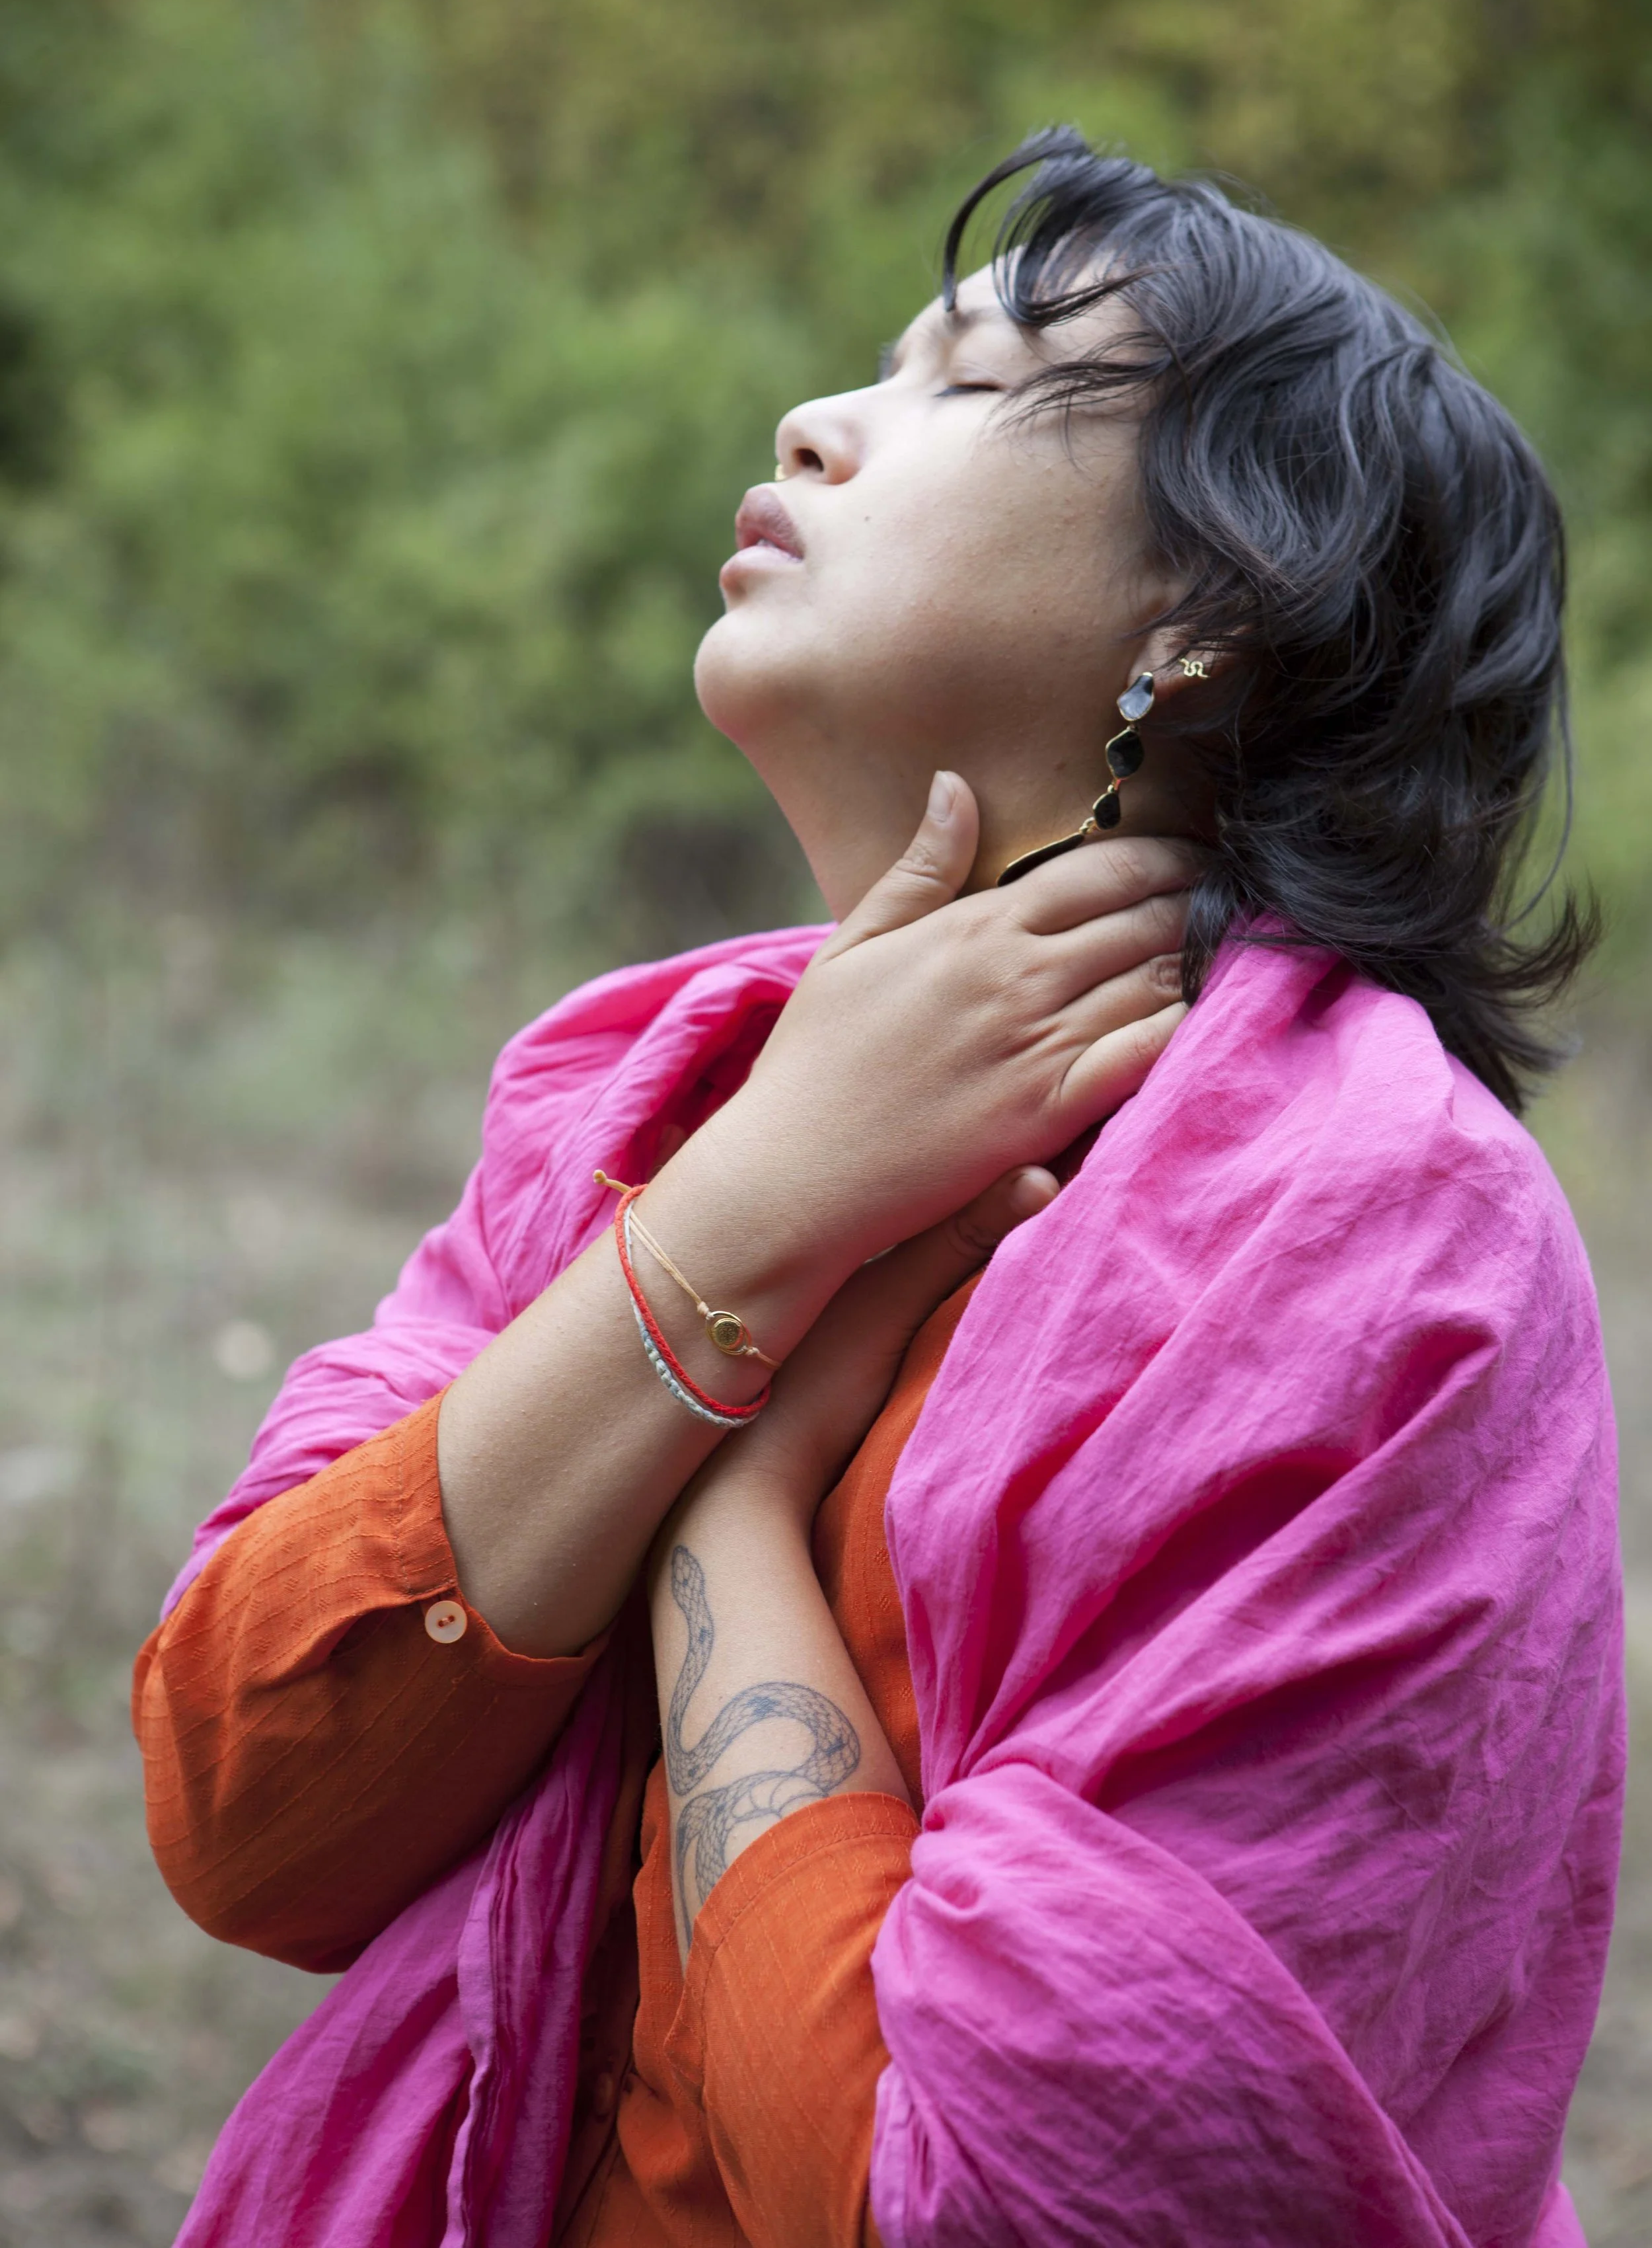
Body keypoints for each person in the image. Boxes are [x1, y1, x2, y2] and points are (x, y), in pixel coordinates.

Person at [133, 132, 1622, 2248]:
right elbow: (243, 1805)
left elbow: (986, 2200)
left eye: (968, 381)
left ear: (1203, 616)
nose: (814, 419)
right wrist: (747, 1208)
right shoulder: (648, 1092)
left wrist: (720, 1494)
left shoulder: (1362, 1234)